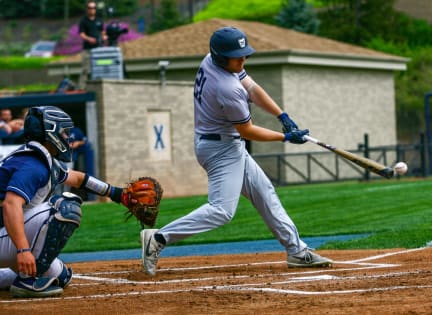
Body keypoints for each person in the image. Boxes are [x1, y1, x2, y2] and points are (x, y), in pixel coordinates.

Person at [140, 26, 333, 276]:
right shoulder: (226, 89)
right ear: (222, 57)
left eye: (244, 54)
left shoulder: (213, 61)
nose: (243, 60)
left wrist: (281, 115)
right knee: (221, 211)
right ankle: (158, 238)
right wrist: (285, 137)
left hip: (222, 143)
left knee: (265, 193)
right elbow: (248, 131)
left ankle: (296, 251)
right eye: (237, 56)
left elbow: (252, 88)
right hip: (220, 148)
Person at [0, 106, 137, 298]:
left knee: (61, 277)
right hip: (4, 232)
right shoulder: (32, 164)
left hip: (5, 233)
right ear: (50, 133)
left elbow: (79, 179)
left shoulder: (40, 159)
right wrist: (23, 250)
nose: (67, 137)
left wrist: (117, 194)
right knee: (65, 207)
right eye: (64, 132)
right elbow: (10, 204)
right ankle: (27, 281)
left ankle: (7, 276)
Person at [78, 1, 107, 89]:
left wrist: (104, 38)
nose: (92, 10)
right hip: (87, 49)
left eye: (93, 8)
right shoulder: (83, 21)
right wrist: (89, 39)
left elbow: (102, 32)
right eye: (90, 8)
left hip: (98, 49)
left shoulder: (99, 20)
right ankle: (82, 88)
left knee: (99, 68)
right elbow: (81, 34)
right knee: (85, 69)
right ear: (87, 9)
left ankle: (99, 87)